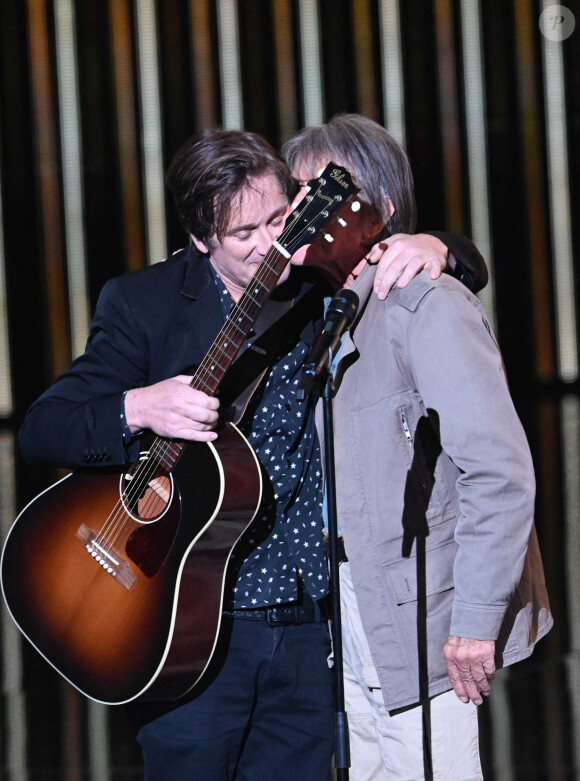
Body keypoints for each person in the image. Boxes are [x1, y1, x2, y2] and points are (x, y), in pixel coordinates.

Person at [18, 126, 485, 780]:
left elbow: (447, 268)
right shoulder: (144, 303)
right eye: (245, 235)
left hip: (306, 628)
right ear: (200, 238)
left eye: (279, 217)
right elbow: (45, 427)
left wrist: (440, 245)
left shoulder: (315, 276)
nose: (274, 244)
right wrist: (140, 406)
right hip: (186, 625)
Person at [284, 113, 553, 780]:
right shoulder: (327, 313)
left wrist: (474, 618)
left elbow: (499, 471)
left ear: (378, 210)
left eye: (318, 191)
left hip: (425, 623)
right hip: (353, 620)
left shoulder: (424, 305)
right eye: (296, 191)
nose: (298, 209)